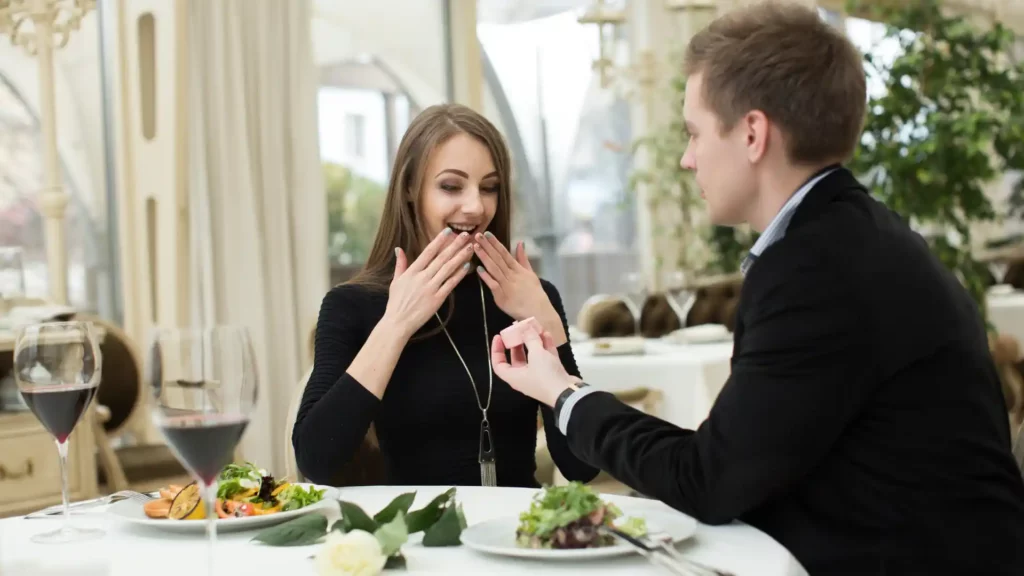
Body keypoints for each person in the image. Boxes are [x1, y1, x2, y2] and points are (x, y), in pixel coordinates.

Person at [490, 3, 1024, 574]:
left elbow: (710, 481)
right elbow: (739, 461)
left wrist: (563, 394)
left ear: (751, 133)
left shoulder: (817, 267)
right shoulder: (849, 234)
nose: (686, 159)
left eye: (694, 133)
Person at [293, 103, 598, 489]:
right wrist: (397, 324)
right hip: (420, 539)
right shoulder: (353, 305)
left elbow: (581, 467)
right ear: (409, 188)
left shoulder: (529, 297)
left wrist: (551, 329)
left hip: (521, 537)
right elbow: (317, 460)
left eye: (489, 188)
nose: (476, 206)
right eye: (451, 186)